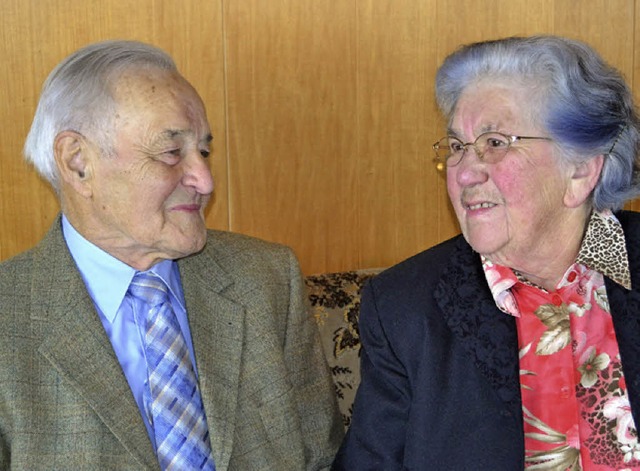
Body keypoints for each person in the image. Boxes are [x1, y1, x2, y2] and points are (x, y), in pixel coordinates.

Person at [0, 40, 343, 470]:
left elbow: (323, 459)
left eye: (203, 151)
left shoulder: (268, 280)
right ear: (77, 163)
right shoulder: (8, 318)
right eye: (170, 153)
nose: (204, 179)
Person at [333, 35, 640, 469]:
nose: (465, 170)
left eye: (495, 142)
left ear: (582, 169)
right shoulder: (405, 307)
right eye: (457, 146)